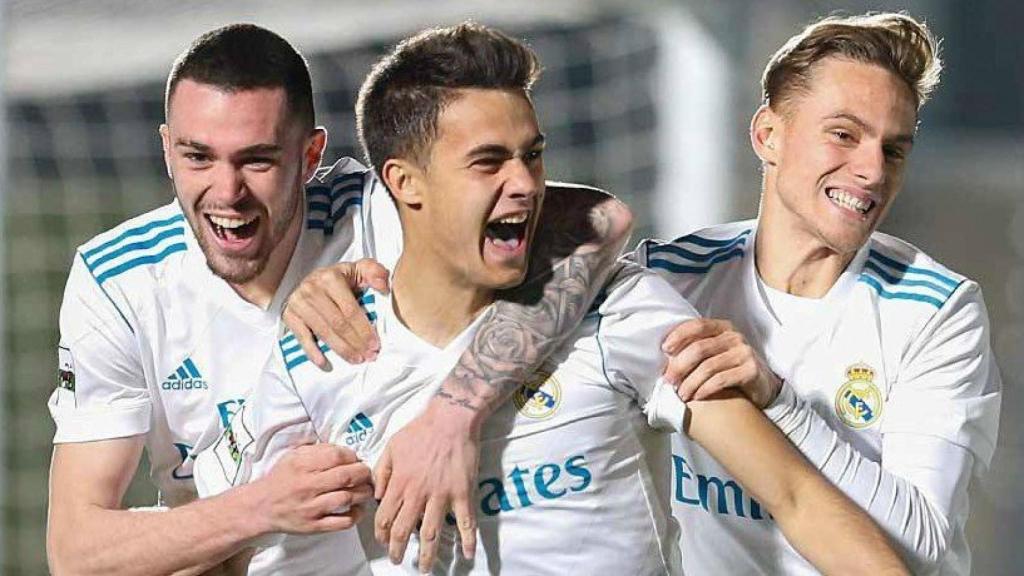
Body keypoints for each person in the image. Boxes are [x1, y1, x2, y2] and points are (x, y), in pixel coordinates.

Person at [195, 22, 911, 575]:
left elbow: (796, 498)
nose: (526, 183)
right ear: (405, 184)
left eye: (532, 155)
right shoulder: (319, 351)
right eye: (489, 162)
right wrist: (262, 506)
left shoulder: (623, 312)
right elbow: (219, 546)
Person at [45, 23, 632, 576]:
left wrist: (452, 417)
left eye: (257, 159)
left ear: (309, 156)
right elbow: (76, 553)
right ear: (168, 149)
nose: (227, 192)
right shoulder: (117, 280)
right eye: (198, 157)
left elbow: (596, 220)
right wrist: (262, 508)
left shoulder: (377, 208)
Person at [638, 12, 1002, 575]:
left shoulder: (937, 310)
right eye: (844, 135)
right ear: (768, 135)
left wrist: (778, 402)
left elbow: (920, 546)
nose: (872, 170)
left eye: (894, 150)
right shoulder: (668, 278)